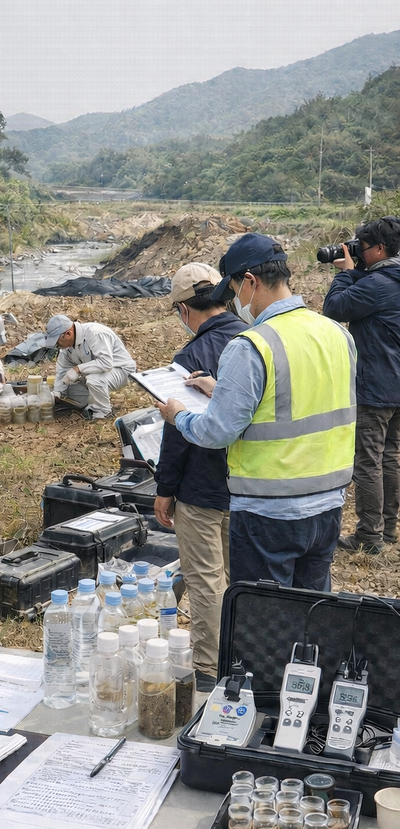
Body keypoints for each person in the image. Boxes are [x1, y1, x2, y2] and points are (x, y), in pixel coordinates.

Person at [159, 233, 356, 592]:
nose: (235, 302)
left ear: (249, 281)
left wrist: (178, 416)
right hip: (328, 505)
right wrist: (220, 389)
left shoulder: (252, 345)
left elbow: (218, 431)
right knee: (311, 612)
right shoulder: (335, 333)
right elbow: (296, 399)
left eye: (233, 291)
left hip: (270, 513)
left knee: (263, 623)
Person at [153, 263, 245, 691]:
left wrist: (165, 489)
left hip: (202, 484)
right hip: (248, 482)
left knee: (206, 578)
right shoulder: (252, 341)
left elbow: (179, 433)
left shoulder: (191, 357)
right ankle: (243, 654)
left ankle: (210, 667)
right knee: (239, 576)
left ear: (185, 310)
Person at [323, 217, 400, 554]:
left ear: (379, 249)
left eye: (362, 247)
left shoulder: (376, 286)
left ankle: (370, 536)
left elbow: (333, 308)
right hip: (396, 386)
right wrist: (357, 270)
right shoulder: (389, 279)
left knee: (368, 461)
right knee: (390, 458)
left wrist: (343, 272)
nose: (359, 252)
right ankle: (388, 531)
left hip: (375, 387)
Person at [43, 313, 136, 420]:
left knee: (93, 380)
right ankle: (91, 403)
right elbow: (62, 373)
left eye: (57, 341)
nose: (56, 345)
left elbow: (106, 363)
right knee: (71, 388)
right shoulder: (66, 349)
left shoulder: (95, 333)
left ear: (68, 333)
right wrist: (58, 393)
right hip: (99, 373)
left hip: (121, 370)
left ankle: (103, 413)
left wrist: (78, 369)